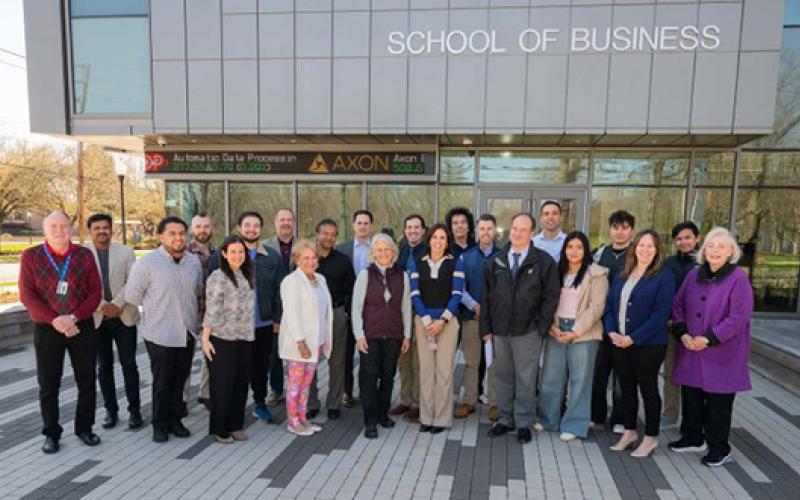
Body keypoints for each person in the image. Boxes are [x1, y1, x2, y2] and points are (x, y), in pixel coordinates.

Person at [669, 227, 753, 468]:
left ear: (730, 252)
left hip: (721, 352)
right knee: (692, 396)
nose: (715, 251)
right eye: (711, 246)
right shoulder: (694, 274)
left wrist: (707, 338)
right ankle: (693, 437)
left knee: (718, 403)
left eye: (721, 247)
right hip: (691, 348)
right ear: (704, 250)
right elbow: (678, 304)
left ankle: (719, 448)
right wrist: (682, 332)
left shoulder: (738, 279)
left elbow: (738, 317)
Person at [19, 211, 102, 454]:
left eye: (63, 226)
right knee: (48, 384)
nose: (59, 230)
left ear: (71, 229)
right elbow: (27, 295)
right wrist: (56, 320)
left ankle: (84, 428)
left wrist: (73, 317)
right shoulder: (31, 256)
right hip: (47, 328)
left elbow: (95, 292)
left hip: (80, 325)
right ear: (45, 230)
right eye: (53, 226)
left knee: (86, 381)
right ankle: (51, 433)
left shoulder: (84, 255)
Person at [482, 213, 560, 444]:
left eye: (523, 230)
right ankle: (505, 419)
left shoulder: (543, 262)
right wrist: (486, 328)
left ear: (531, 233)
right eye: (514, 228)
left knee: (526, 378)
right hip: (500, 330)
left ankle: (524, 422)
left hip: (528, 331)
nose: (517, 233)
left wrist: (541, 327)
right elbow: (486, 297)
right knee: (503, 375)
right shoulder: (497, 260)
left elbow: (551, 297)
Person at [126, 216, 203, 443]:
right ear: (161, 236)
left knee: (180, 380)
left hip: (186, 332)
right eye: (172, 233)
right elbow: (132, 295)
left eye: (181, 233)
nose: (178, 238)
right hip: (160, 333)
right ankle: (159, 424)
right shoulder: (147, 263)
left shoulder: (194, 262)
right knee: (162, 382)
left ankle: (175, 420)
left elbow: (197, 290)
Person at [604, 229, 675, 458]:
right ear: (634, 248)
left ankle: (651, 437)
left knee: (648, 391)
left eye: (650, 246)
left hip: (648, 345)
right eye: (641, 245)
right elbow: (610, 306)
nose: (645, 250)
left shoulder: (664, 276)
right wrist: (612, 331)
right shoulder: (623, 272)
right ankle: (630, 431)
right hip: (619, 342)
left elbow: (660, 314)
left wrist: (633, 338)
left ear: (657, 251)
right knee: (627, 390)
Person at [211, 211, 284, 424]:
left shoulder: (272, 256)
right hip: (232, 327)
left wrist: (277, 319)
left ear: (261, 229)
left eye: (256, 225)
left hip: (262, 323)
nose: (251, 229)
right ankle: (234, 407)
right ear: (239, 227)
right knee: (234, 368)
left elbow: (279, 290)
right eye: (247, 225)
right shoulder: (222, 255)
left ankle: (260, 404)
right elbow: (214, 290)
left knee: (261, 366)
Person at [538, 231, 608, 441]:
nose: (574, 251)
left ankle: (575, 425)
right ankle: (548, 419)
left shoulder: (597, 274)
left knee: (580, 380)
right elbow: (546, 301)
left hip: (584, 333)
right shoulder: (557, 271)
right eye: (570, 247)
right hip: (557, 329)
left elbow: (597, 308)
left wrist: (575, 331)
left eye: (579, 247)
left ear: (586, 250)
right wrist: (553, 327)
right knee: (551, 377)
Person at [352, 234, 412, 438]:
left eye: (387, 249)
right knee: (369, 378)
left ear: (393, 252)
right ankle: (370, 421)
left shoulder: (402, 276)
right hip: (371, 335)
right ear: (373, 253)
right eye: (379, 249)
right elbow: (356, 308)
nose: (383, 253)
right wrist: (359, 335)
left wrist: (407, 335)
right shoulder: (365, 275)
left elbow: (406, 307)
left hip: (394, 336)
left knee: (388, 377)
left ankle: (383, 415)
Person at [85, 213, 142, 430]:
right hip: (97, 318)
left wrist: (116, 305)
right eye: (97, 228)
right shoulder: (83, 253)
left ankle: (134, 410)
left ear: (111, 230)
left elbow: (133, 282)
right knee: (103, 366)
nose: (102, 231)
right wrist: (102, 306)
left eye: (105, 227)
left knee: (129, 364)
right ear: (90, 231)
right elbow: (81, 285)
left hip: (124, 315)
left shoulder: (126, 251)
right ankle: (111, 411)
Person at [408, 224, 465, 433]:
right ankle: (426, 417)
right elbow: (415, 294)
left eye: (443, 238)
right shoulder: (417, 263)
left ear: (447, 241)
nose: (438, 241)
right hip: (423, 323)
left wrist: (442, 320)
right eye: (435, 237)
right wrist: (426, 320)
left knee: (443, 373)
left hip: (447, 324)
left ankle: (440, 419)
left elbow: (457, 294)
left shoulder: (456, 263)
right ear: (429, 240)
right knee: (426, 371)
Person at [202, 235, 255, 443]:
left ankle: (235, 425)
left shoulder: (246, 274)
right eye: (233, 251)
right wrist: (206, 339)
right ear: (224, 254)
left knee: (241, 383)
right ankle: (218, 428)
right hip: (222, 338)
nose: (237, 255)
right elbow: (212, 309)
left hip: (244, 337)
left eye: (241, 251)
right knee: (222, 385)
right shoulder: (218, 276)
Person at [279, 240, 333, 436]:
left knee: (306, 384)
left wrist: (324, 337)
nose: (311, 261)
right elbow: (292, 314)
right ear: (297, 260)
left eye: (313, 257)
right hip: (298, 344)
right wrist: (300, 342)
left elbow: (324, 311)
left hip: (315, 342)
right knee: (295, 385)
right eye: (306, 258)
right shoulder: (291, 282)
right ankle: (293, 422)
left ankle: (303, 419)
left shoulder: (320, 279)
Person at [591, 209, 636, 434]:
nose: (620, 232)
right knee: (598, 373)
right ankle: (596, 415)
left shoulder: (636, 255)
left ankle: (619, 417)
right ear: (610, 229)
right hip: (600, 323)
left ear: (631, 230)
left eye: (625, 228)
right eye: (616, 227)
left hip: (625, 325)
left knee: (623, 377)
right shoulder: (599, 254)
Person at [454, 214, 501, 420]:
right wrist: (475, 306)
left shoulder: (504, 256)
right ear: (477, 231)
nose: (486, 232)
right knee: (472, 362)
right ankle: (469, 401)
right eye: (482, 228)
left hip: (496, 321)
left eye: (490, 229)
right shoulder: (466, 256)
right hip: (471, 318)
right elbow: (459, 288)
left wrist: (491, 309)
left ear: (495, 231)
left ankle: (495, 403)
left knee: (495, 363)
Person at [308, 219, 355, 420]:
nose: (328, 237)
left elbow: (351, 288)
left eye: (332, 234)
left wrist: (347, 314)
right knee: (310, 360)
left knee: (337, 360)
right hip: (311, 316)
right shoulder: (306, 259)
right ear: (316, 234)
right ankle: (311, 403)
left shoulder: (343, 261)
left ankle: (334, 403)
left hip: (336, 314)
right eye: (324, 233)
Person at [661, 221, 700, 429]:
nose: (683, 242)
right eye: (679, 238)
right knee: (671, 373)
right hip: (672, 326)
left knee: (695, 376)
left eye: (688, 237)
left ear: (697, 238)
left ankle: (693, 420)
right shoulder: (668, 263)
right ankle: (670, 413)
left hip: (698, 330)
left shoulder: (705, 264)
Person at [336, 209, 375, 408]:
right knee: (345, 353)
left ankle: (365, 390)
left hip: (371, 310)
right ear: (353, 225)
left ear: (371, 226)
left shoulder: (378, 249)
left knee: (367, 354)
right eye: (359, 223)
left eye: (366, 223)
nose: (362, 226)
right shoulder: (342, 249)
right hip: (347, 309)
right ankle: (346, 391)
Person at [390, 214, 427, 421]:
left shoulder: (429, 252)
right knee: (403, 357)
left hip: (421, 310)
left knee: (418, 358)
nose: (412, 231)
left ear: (423, 230)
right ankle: (405, 399)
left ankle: (418, 402)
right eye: (409, 227)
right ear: (404, 231)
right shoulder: (400, 252)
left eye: (416, 227)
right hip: (401, 311)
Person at [263, 208, 296, 406]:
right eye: (282, 219)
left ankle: (297, 388)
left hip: (297, 310)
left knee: (298, 352)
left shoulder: (305, 245)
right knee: (273, 353)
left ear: (293, 222)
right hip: (274, 309)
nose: (285, 223)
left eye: (289, 219)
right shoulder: (265, 246)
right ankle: (276, 389)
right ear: (275, 222)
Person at [184, 213, 215, 411]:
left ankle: (206, 394)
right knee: (184, 358)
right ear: (192, 229)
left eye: (206, 226)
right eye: (198, 226)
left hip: (212, 314)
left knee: (211, 354)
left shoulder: (219, 253)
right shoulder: (184, 253)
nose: (202, 230)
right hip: (189, 312)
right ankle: (181, 399)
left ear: (212, 228)